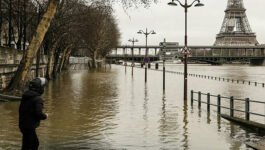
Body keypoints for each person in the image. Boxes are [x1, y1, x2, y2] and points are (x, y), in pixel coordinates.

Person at [19, 77, 48, 150]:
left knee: (32, 144)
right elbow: (38, 113)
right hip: (30, 126)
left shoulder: (25, 96)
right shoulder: (38, 99)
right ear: (40, 88)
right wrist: (45, 116)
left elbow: (22, 110)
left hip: (23, 124)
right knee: (30, 145)